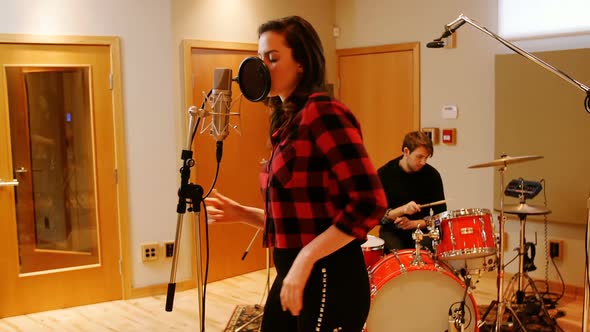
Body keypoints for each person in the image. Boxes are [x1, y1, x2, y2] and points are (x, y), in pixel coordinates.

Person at [205, 16, 387, 332]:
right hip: (297, 273)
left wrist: (305, 260)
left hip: (330, 275)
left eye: (272, 59)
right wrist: (243, 213)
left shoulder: (323, 112)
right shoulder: (289, 122)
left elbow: (370, 202)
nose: (262, 68)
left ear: (301, 63)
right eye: (260, 58)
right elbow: (303, 217)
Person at [377, 131, 447, 252]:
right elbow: (377, 216)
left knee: (428, 247)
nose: (423, 162)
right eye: (419, 157)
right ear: (406, 151)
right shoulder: (384, 174)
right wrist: (402, 210)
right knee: (395, 251)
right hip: (392, 230)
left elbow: (440, 217)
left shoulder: (432, 175)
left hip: (421, 229)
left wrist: (414, 224)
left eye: (426, 157)